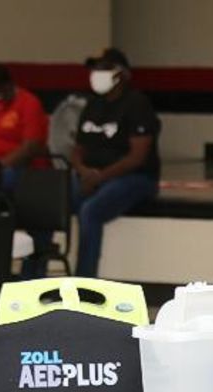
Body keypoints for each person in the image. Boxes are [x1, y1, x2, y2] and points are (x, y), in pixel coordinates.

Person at [27, 47, 161, 279]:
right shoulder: (93, 105)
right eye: (95, 69)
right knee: (46, 204)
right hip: (91, 175)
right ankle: (31, 279)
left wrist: (99, 177)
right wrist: (82, 171)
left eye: (104, 69)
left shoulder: (137, 104)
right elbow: (78, 149)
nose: (97, 74)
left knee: (90, 212)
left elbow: (137, 157)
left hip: (134, 178)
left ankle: (83, 285)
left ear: (121, 74)